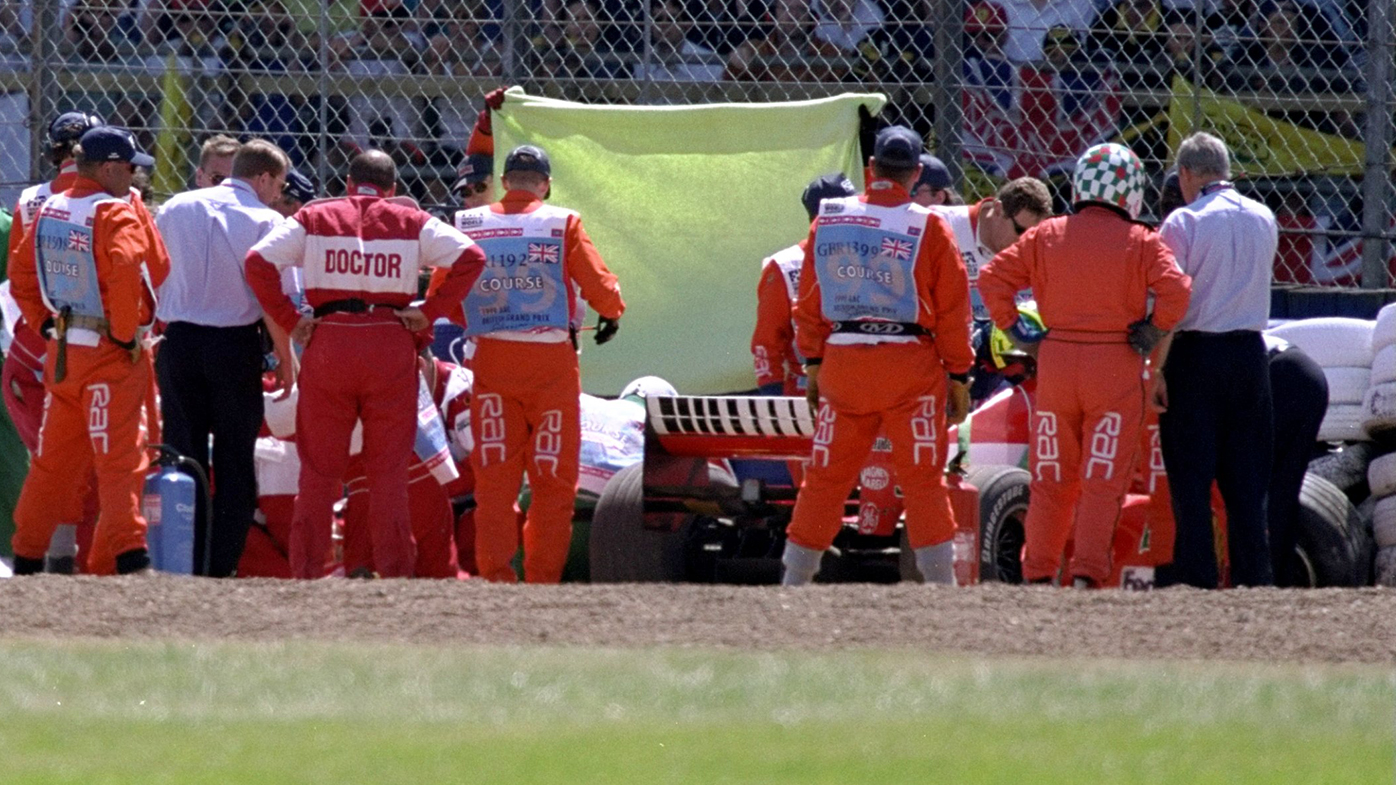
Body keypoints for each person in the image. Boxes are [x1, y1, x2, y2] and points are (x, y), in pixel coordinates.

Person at [244, 149, 487, 579]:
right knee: (389, 472)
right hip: (389, 342)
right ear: (392, 191)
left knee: (318, 472)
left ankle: (305, 573)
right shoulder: (410, 221)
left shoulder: (315, 217)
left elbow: (257, 262)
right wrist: (430, 310)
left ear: (348, 183)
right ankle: (395, 572)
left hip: (329, 341)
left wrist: (290, 320)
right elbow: (472, 258)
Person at [978, 142, 1191, 588]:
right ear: (1131, 192)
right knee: (1102, 481)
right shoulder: (1142, 242)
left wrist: (1021, 334)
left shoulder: (1046, 234)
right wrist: (1151, 332)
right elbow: (1177, 292)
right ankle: (1086, 576)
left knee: (1051, 479)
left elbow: (992, 279)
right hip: (1115, 365)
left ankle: (1037, 574)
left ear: (1079, 186)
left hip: (1056, 365)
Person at [781, 125, 974, 587]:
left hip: (843, 363)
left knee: (825, 476)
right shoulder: (929, 225)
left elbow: (809, 300)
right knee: (924, 478)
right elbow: (952, 310)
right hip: (911, 366)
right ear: (916, 174)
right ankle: (941, 587)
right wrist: (960, 375)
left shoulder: (827, 218)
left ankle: (793, 582)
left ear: (870, 170)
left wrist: (812, 363)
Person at [455, 143, 626, 584]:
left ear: (505, 181)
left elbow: (447, 292)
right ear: (545, 185)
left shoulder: (471, 223)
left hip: (490, 363)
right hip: (551, 367)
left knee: (493, 485)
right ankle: (542, 583)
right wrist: (613, 311)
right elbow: (601, 288)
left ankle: (495, 578)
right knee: (552, 483)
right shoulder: (561, 221)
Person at [8, 126, 169, 576]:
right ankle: (131, 556)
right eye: (131, 170)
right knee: (121, 458)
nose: (136, 179)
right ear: (110, 168)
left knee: (52, 464)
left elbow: (20, 274)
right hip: (108, 354)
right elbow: (143, 267)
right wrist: (122, 333)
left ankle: (26, 553)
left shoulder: (47, 207)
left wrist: (43, 321)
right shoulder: (115, 213)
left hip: (62, 353)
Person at [154, 139, 293, 577]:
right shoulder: (266, 219)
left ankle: (182, 560)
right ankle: (221, 567)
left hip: (178, 342)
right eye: (279, 184)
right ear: (265, 178)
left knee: (181, 454)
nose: (279, 194)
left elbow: (153, 270)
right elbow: (270, 298)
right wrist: (287, 357)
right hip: (234, 346)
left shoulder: (175, 207)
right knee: (235, 461)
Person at [1154, 131, 1278, 589]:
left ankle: (1200, 582)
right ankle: (1255, 582)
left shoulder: (1182, 223)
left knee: (1191, 483)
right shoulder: (1264, 216)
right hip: (1250, 354)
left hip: (1194, 355)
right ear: (1226, 171)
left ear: (1186, 174)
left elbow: (1169, 305)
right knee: (1247, 486)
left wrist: (1158, 370)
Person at [751, 172, 856, 398]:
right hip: (805, 394)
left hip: (864, 387)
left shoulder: (872, 257)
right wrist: (773, 399)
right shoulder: (783, 266)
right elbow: (767, 341)